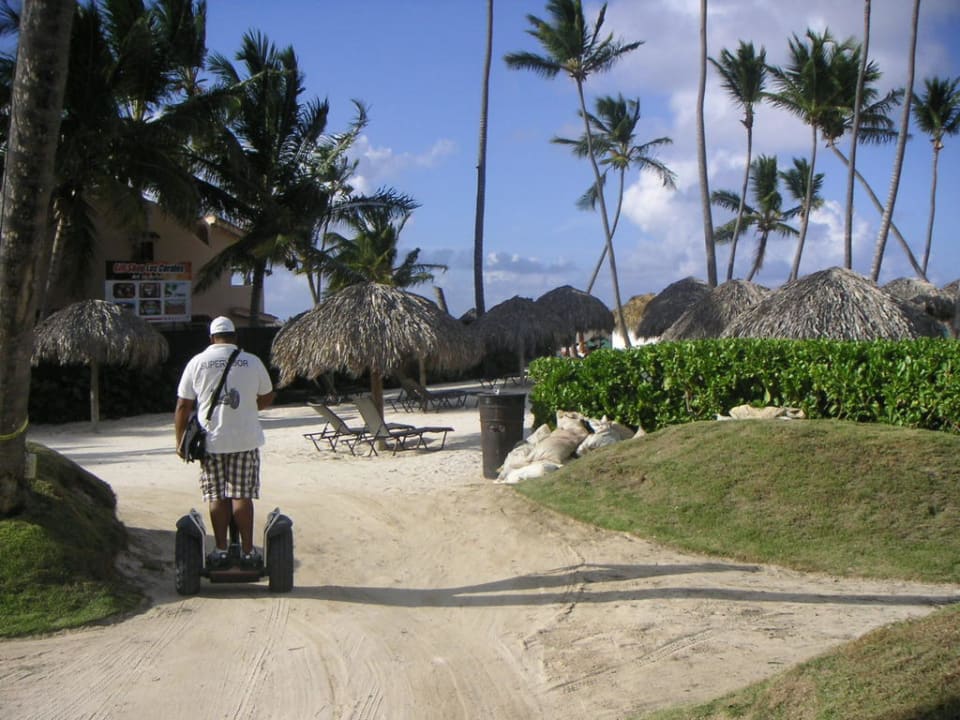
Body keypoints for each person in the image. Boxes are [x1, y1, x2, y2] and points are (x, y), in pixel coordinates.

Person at [174, 316, 275, 569]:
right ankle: (250, 552)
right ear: (235, 336)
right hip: (245, 439)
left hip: (211, 441)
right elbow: (266, 397)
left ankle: (220, 550)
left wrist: (179, 443)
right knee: (242, 495)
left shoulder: (197, 362)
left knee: (216, 495)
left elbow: (183, 406)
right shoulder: (252, 361)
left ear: (211, 338)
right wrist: (249, 409)